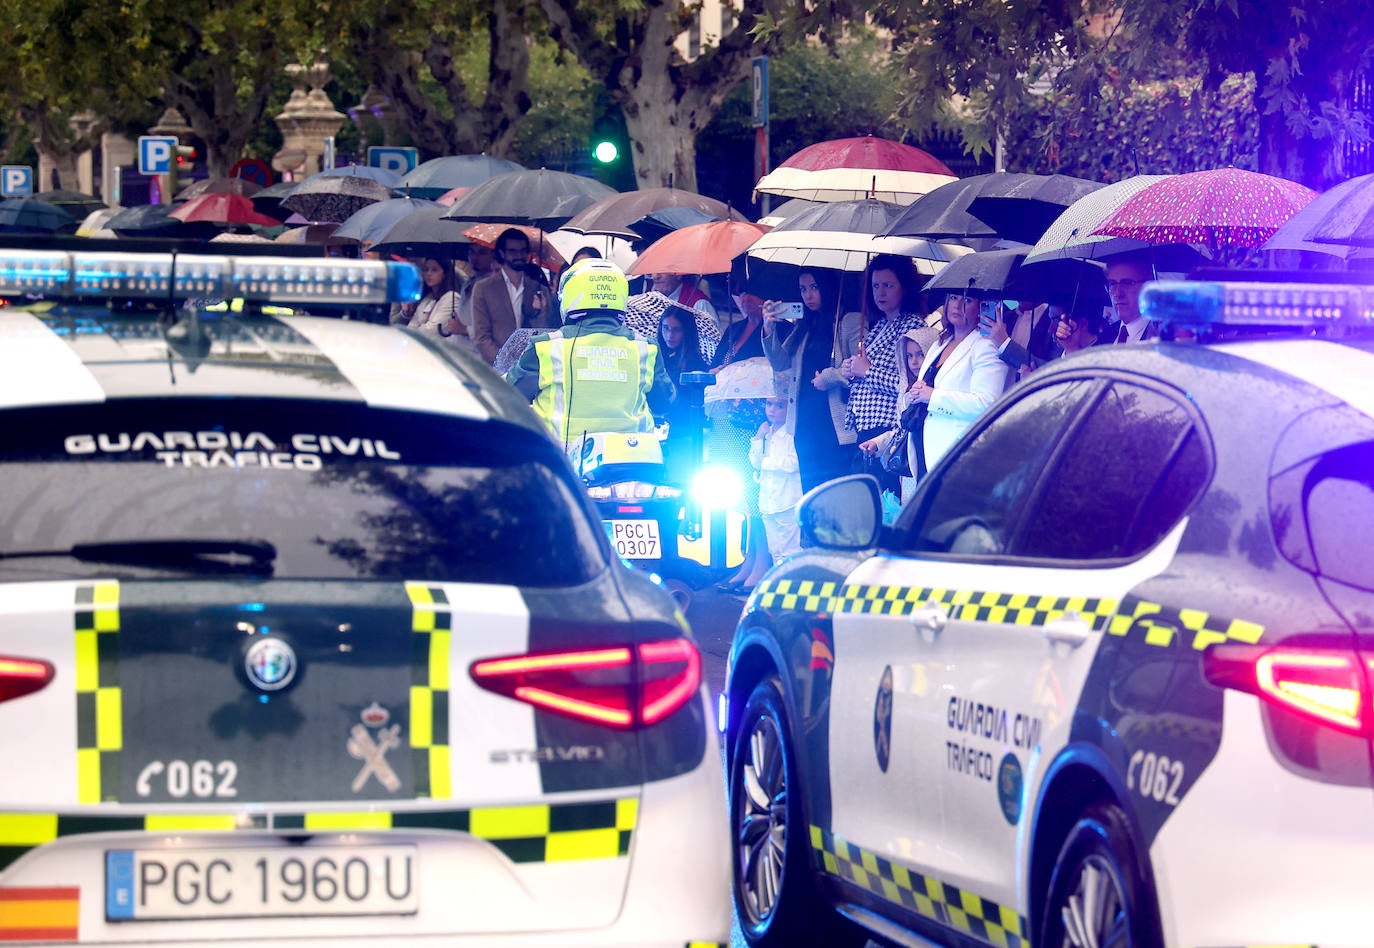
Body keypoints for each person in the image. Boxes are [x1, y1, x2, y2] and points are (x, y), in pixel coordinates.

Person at [505, 258, 675, 450]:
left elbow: (510, 396)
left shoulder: (546, 346)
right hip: (635, 460)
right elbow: (664, 403)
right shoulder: (646, 347)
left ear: (569, 296)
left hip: (562, 461)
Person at [761, 268, 864, 492]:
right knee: (811, 492)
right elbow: (780, 362)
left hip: (834, 422)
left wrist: (829, 376)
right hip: (804, 422)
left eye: (814, 287)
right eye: (803, 289)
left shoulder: (849, 321)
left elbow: (859, 368)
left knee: (836, 492)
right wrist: (769, 328)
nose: (808, 295)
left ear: (828, 288)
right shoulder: (805, 325)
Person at [842, 254, 930, 484]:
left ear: (905, 287)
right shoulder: (880, 325)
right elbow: (864, 372)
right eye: (875, 286)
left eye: (888, 285)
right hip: (866, 424)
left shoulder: (913, 325)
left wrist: (867, 371)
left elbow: (909, 385)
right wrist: (851, 369)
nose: (880, 293)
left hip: (887, 426)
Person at [898, 292, 1005, 479]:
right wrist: (917, 392)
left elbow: (987, 404)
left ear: (980, 308)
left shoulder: (985, 346)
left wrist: (932, 396)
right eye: (954, 298)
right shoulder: (940, 343)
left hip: (958, 454)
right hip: (925, 445)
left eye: (967, 300)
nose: (957, 305)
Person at [472, 228, 559, 364]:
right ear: (502, 253)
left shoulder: (539, 289)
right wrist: (504, 364)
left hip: (530, 367)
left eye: (523, 250)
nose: (519, 255)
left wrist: (540, 312)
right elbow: (482, 338)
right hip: (496, 369)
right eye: (513, 251)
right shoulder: (483, 288)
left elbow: (545, 331)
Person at [749, 394, 803, 562]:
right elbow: (755, 462)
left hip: (787, 501)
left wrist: (767, 463)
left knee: (790, 550)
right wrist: (758, 438)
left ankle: (793, 584)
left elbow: (793, 464)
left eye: (780, 406)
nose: (772, 409)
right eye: (769, 403)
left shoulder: (791, 435)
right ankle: (779, 584)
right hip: (768, 501)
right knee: (774, 550)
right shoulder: (767, 432)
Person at [392, 257, 463, 341]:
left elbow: (430, 332)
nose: (429, 273)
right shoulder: (428, 298)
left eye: (434, 270)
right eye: (426, 269)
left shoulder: (452, 298)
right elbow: (411, 326)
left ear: (444, 274)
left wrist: (418, 327)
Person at [710, 274, 766, 371]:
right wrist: (713, 371)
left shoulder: (782, 330)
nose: (746, 298)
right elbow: (715, 363)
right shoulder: (734, 327)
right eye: (742, 292)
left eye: (753, 293)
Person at [1103, 251, 1159, 343]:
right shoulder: (1106, 335)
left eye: (1127, 283)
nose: (1117, 293)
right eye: (1112, 284)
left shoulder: (1163, 338)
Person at [651, 272, 717, 326]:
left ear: (678, 274)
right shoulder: (651, 299)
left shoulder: (699, 303)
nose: (656, 276)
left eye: (662, 271)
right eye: (654, 270)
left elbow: (713, 338)